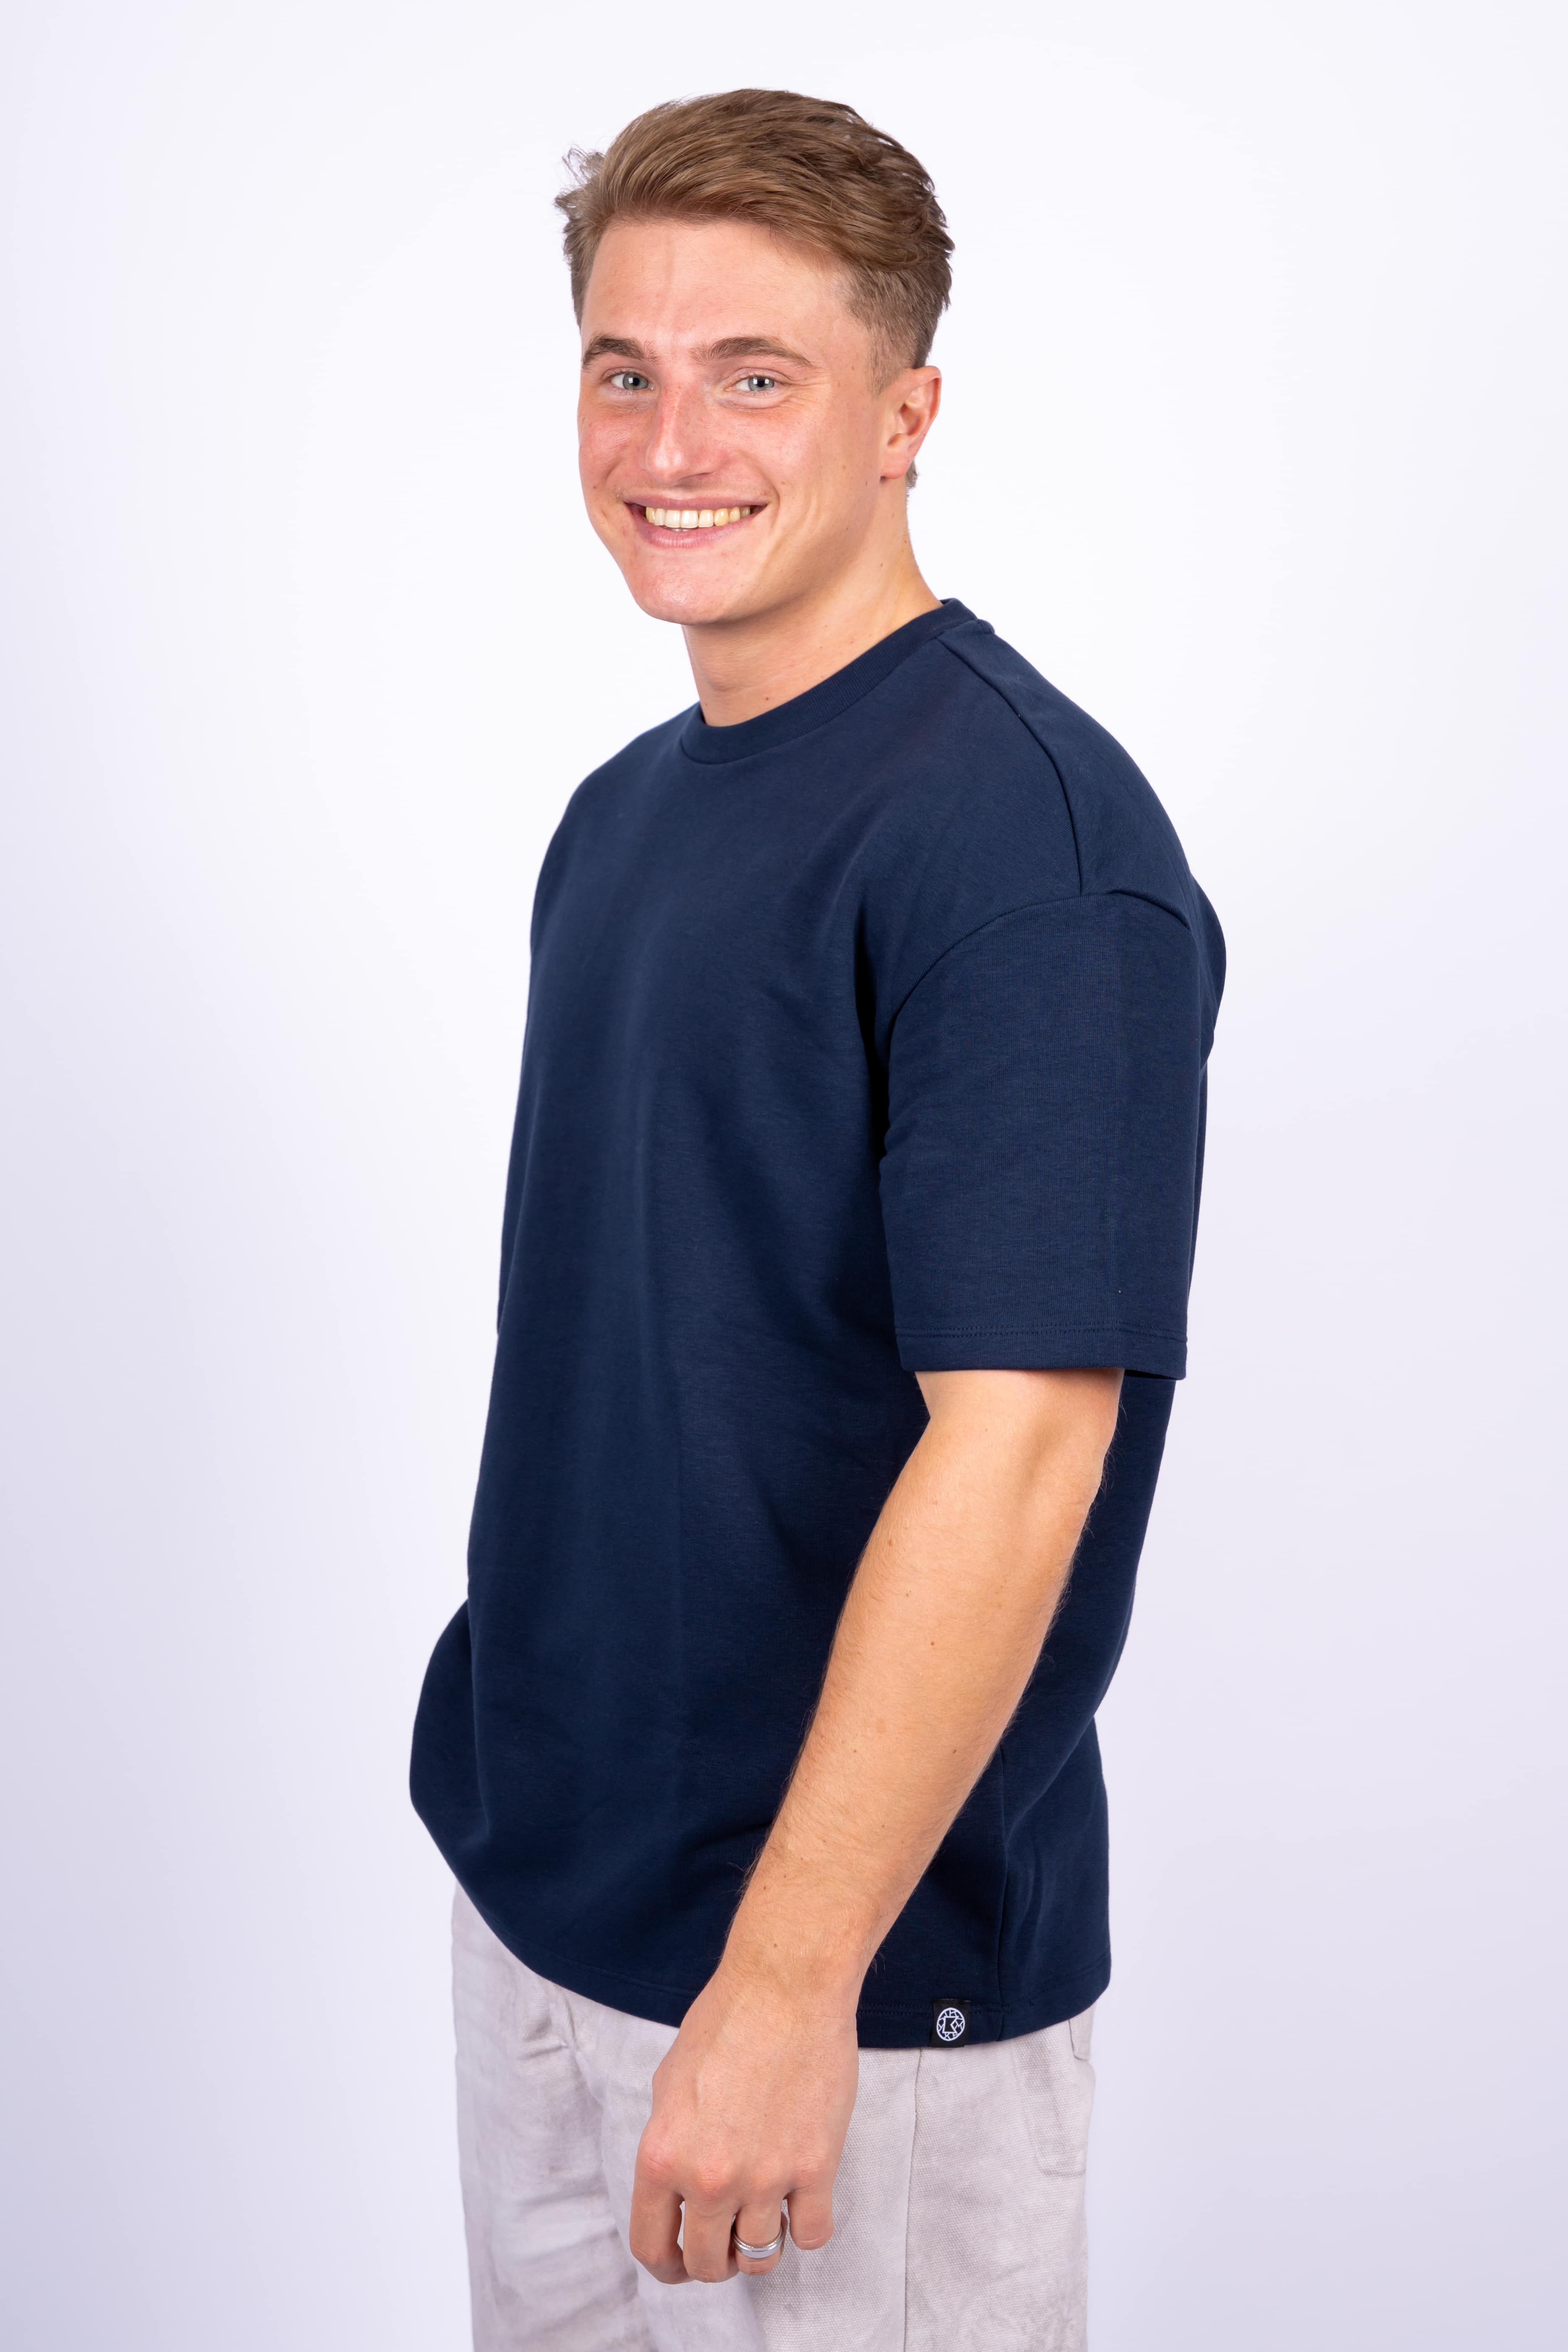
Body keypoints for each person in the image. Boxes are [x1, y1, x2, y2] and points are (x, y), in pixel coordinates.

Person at [411, 86, 1224, 2352]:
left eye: (756, 373)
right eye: (625, 369)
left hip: (840, 2007)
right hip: (552, 1920)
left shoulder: (1026, 846)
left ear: (904, 416)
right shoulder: (625, 814)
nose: (672, 442)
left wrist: (786, 1984)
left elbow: (1024, 1448)